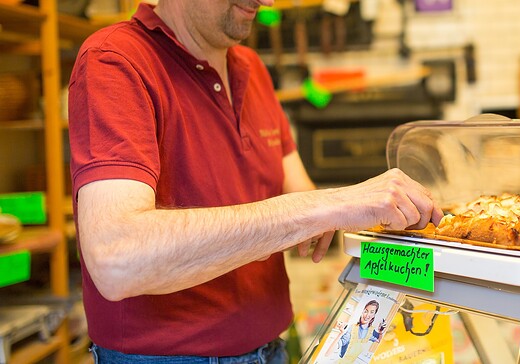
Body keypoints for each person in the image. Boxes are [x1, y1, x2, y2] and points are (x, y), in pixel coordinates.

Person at [68, 0, 442, 362]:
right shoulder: (115, 59)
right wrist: (329, 206)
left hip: (270, 348)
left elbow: (307, 204)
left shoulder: (251, 67)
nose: (267, 2)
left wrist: (413, 242)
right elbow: (116, 258)